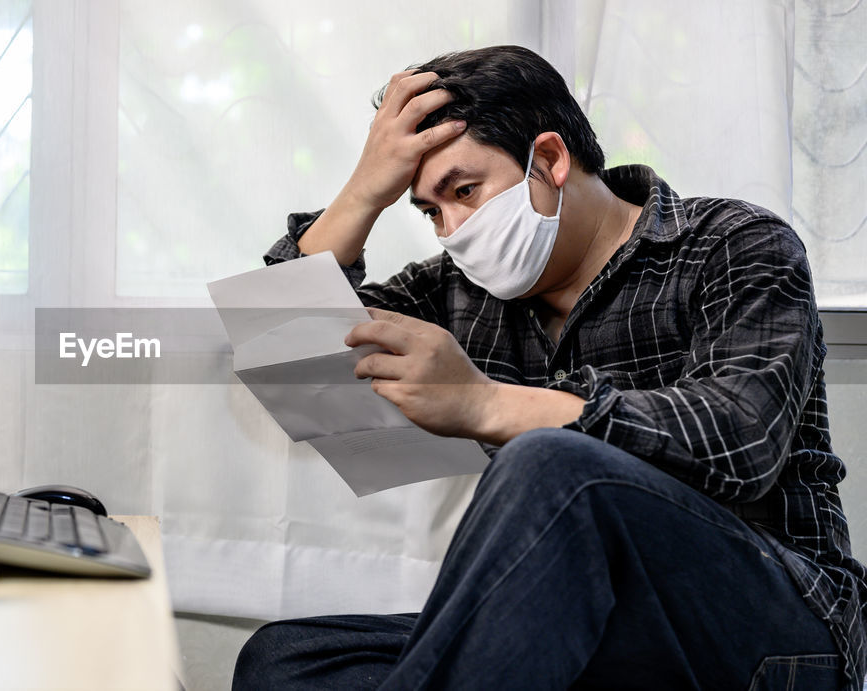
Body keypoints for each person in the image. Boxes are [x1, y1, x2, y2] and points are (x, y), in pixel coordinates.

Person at [232, 45, 867, 690]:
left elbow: (744, 439)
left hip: (771, 621)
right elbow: (290, 364)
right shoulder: (461, 292)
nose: (452, 229)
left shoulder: (733, 242)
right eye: (430, 212)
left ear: (550, 159)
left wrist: (486, 403)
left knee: (552, 463)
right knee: (286, 659)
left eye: (464, 191)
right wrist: (364, 190)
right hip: (580, 617)